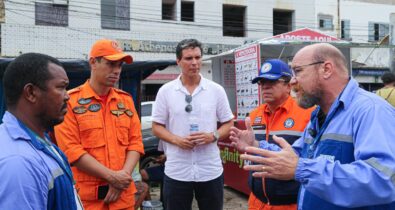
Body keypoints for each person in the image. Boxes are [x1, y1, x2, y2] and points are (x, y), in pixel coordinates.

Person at [230, 43, 395, 209]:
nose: (292, 81)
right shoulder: (319, 115)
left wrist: (302, 169)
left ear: (326, 69)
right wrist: (256, 146)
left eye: (298, 71)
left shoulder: (370, 110)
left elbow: (384, 179)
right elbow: (296, 156)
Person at [54, 39, 144, 210]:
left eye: (120, 66)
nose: (116, 71)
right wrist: (113, 178)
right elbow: (71, 150)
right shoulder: (71, 101)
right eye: (111, 64)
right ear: (93, 63)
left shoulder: (125, 100)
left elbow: (135, 143)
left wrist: (121, 178)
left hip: (123, 198)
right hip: (88, 200)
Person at [152, 38, 234, 210]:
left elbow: (228, 122)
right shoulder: (166, 91)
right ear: (178, 61)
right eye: (189, 58)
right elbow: (157, 127)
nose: (195, 62)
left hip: (209, 169)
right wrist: (177, 140)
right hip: (177, 170)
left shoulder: (215, 90)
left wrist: (213, 136)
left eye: (198, 57)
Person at [0, 53, 82, 209]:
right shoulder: (18, 163)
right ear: (31, 93)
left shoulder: (39, 140)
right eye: (61, 87)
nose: (67, 97)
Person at [233, 59, 313, 210]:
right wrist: (247, 146)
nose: (265, 87)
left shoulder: (308, 113)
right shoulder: (255, 114)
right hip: (256, 202)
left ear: (288, 86)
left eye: (272, 81)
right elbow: (255, 152)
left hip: (291, 204)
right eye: (262, 82)